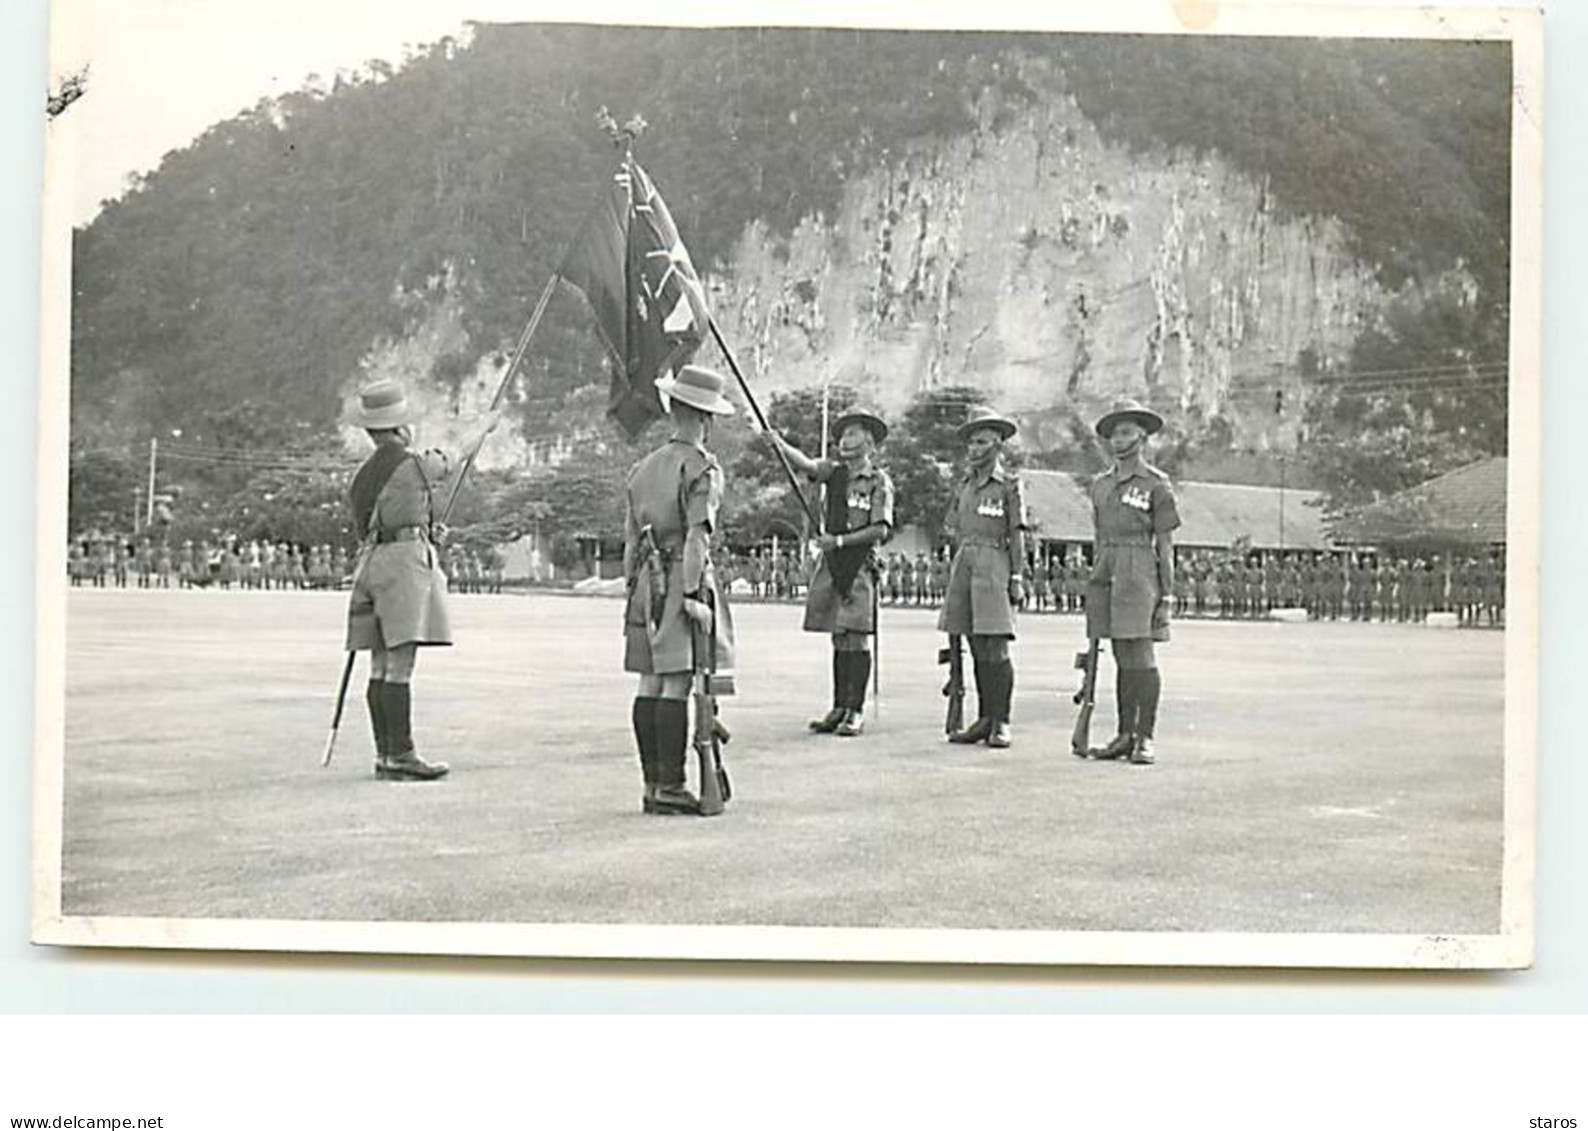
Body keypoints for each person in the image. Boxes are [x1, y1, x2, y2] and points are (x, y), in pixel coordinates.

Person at [344, 378, 483, 782]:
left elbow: (375, 523)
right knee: (401, 664)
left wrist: (423, 530)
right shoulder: (410, 463)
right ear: (401, 427)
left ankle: (385, 754)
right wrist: (485, 426)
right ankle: (402, 755)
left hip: (371, 561)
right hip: (401, 567)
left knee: (379, 662)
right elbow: (454, 457)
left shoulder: (362, 475)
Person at [622, 364, 738, 815]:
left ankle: (653, 785)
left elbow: (632, 541)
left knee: (648, 682)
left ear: (674, 410)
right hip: (676, 578)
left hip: (643, 584)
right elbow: (697, 538)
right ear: (706, 419)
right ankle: (671, 785)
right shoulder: (702, 468)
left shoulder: (642, 468)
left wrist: (634, 593)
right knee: (676, 682)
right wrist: (691, 595)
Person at [771, 407, 895, 738]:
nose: (844, 440)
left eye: (853, 434)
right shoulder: (835, 473)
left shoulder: (878, 481)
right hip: (834, 564)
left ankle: (855, 710)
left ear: (869, 442)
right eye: (841, 435)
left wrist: (838, 540)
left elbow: (880, 529)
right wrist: (781, 445)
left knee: (856, 637)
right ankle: (840, 705)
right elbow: (808, 465)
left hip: (858, 564)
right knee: (839, 636)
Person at [1079, 398, 1179, 766]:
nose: (1118, 441)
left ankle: (1145, 736)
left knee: (1141, 652)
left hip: (1140, 568)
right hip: (1107, 567)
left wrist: (1166, 595)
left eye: (1126, 433)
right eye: (1113, 435)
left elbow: (1165, 546)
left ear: (1142, 436)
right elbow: (1096, 535)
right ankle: (1124, 734)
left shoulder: (1157, 484)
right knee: (1121, 653)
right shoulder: (1101, 485)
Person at [938, 407, 1026, 748]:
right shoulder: (964, 486)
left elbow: (1017, 534)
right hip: (966, 561)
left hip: (996, 562)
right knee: (975, 644)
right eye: (971, 443)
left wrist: (1017, 576)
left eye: (982, 442)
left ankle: (1001, 720)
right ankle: (984, 717)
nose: (974, 449)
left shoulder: (1009, 486)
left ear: (998, 445)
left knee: (996, 645)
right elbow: (952, 526)